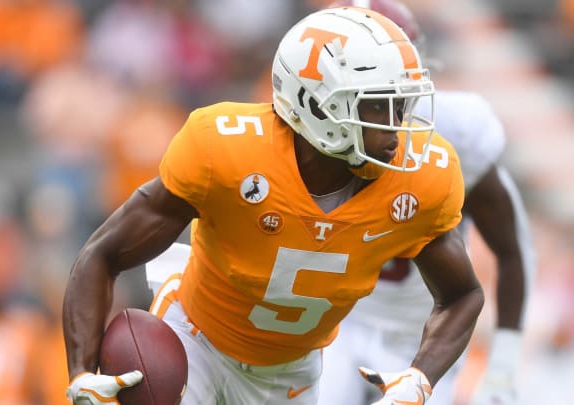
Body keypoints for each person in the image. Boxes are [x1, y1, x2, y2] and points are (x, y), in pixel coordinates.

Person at [63, 7, 484, 405]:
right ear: (320, 106)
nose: (396, 125)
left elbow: (463, 294)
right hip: (195, 342)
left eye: (401, 105)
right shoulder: (225, 151)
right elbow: (103, 253)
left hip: (291, 376)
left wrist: (421, 376)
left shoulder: (422, 178)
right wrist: (81, 370)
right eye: (378, 104)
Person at [314, 1, 535, 404]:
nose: (384, 107)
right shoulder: (292, 139)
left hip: (427, 335)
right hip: (331, 326)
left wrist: (502, 366)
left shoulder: (456, 133)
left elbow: (511, 249)